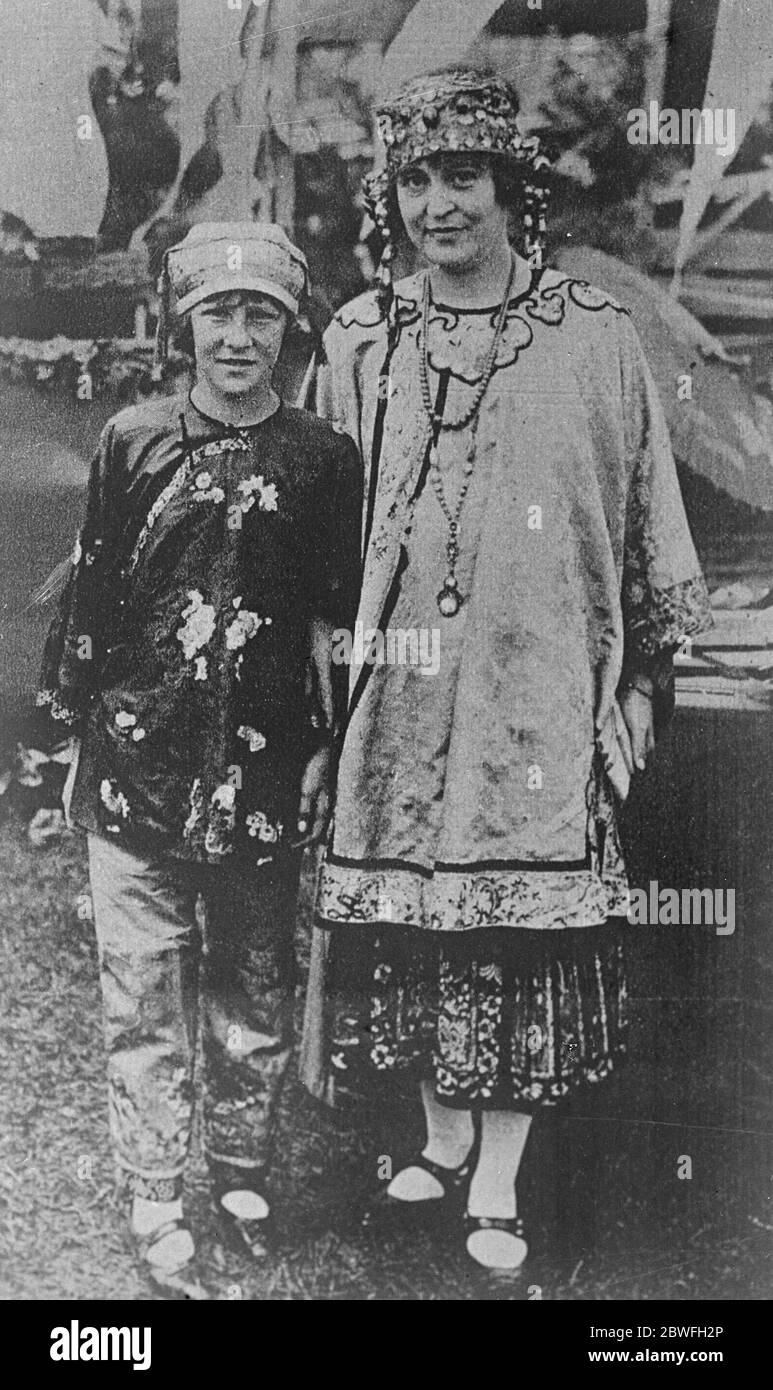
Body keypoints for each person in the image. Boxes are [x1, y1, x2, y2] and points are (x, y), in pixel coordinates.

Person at [303, 68, 711, 1274]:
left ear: (507, 186)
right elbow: (327, 542)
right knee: (417, 928)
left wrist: (635, 683)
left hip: (533, 692)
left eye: (462, 177)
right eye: (418, 180)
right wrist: (322, 697)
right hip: (395, 689)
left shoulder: (591, 335)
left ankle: (496, 1184)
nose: (440, 205)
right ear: (394, 195)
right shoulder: (358, 342)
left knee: (514, 935)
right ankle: (433, 1141)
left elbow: (640, 519)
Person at [34, 222, 362, 1294]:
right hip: (139, 761)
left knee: (255, 983)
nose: (235, 335)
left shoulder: (321, 459)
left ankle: (240, 1170)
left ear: (288, 326)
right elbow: (93, 595)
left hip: (265, 771)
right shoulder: (132, 439)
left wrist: (324, 749)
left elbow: (332, 615)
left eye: (258, 312)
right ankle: (151, 1187)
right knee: (142, 986)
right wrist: (73, 727)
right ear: (182, 324)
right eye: (216, 312)